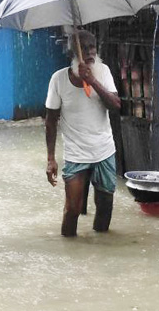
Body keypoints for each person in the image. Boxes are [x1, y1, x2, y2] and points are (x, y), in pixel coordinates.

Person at [45, 29, 122, 237]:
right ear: (72, 54)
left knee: (105, 204)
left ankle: (102, 253)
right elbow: (51, 121)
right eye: (83, 48)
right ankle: (70, 253)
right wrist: (51, 158)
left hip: (104, 149)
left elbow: (115, 105)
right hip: (76, 153)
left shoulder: (103, 71)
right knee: (73, 209)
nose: (89, 53)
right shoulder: (58, 79)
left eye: (92, 47)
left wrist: (93, 80)